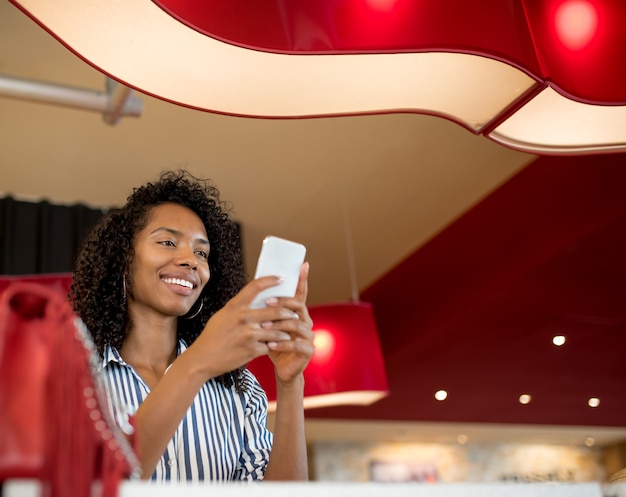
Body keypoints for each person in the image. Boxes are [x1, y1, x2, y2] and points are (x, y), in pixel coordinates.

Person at [70, 170, 315, 482]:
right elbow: (98, 483)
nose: (192, 260)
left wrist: (291, 383)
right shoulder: (75, 372)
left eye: (202, 252)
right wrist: (198, 361)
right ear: (124, 260)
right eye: (168, 242)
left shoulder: (240, 389)